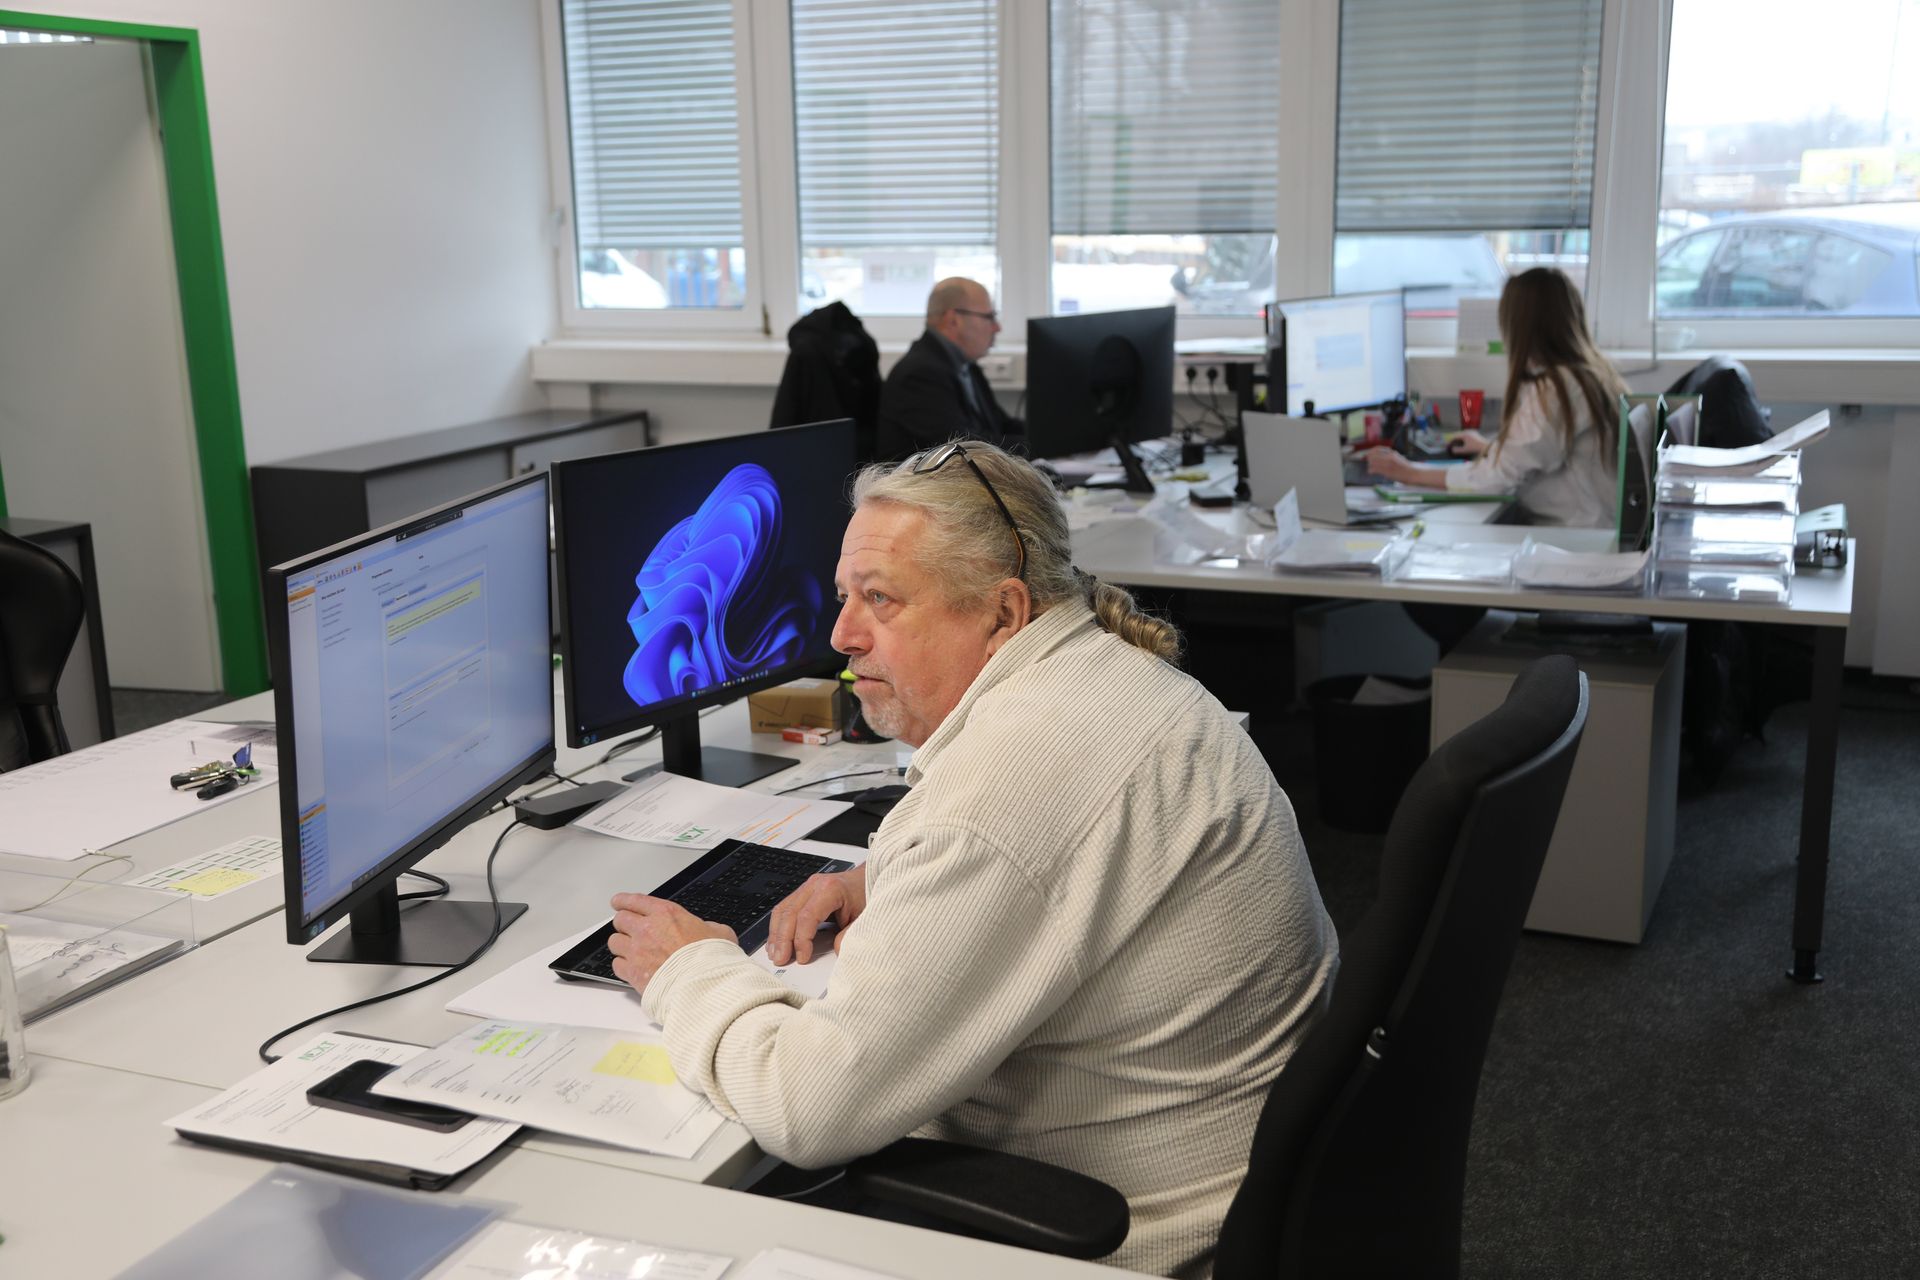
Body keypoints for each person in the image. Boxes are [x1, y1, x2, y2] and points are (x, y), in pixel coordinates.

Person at [604, 441, 1338, 1278]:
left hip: (1128, 1235)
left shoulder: (1011, 783)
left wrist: (688, 970)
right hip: (1227, 1178)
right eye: (846, 596)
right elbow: (1063, 853)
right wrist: (879, 879)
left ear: (1003, 611)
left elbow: (808, 1108)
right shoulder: (1100, 677)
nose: (841, 634)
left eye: (880, 600)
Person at [1367, 266, 1627, 527]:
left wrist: (1408, 473)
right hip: (1590, 531)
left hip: (1576, 540)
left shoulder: (1555, 389)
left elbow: (1494, 479)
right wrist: (1490, 447)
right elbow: (1542, 450)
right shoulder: (1589, 374)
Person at [875, 277, 1026, 461]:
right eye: (989, 317)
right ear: (954, 320)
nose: (997, 327)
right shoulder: (919, 375)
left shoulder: (966, 366)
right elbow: (965, 449)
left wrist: (1053, 435)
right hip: (928, 487)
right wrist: (1040, 445)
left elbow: (1000, 426)